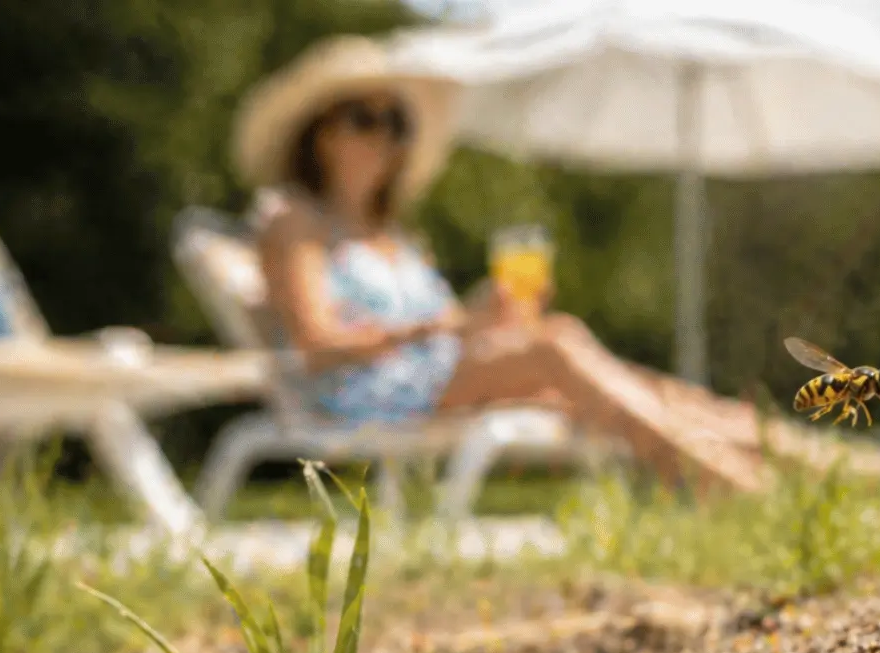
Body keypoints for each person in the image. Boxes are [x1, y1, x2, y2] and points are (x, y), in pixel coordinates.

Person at [231, 36, 789, 493]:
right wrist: (446, 326)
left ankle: (828, 468)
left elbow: (447, 332)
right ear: (319, 131)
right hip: (369, 399)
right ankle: (737, 488)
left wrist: (484, 318)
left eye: (395, 122)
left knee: (637, 388)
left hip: (435, 381)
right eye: (363, 118)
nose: (383, 137)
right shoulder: (293, 222)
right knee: (559, 345)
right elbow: (318, 345)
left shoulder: (392, 235)